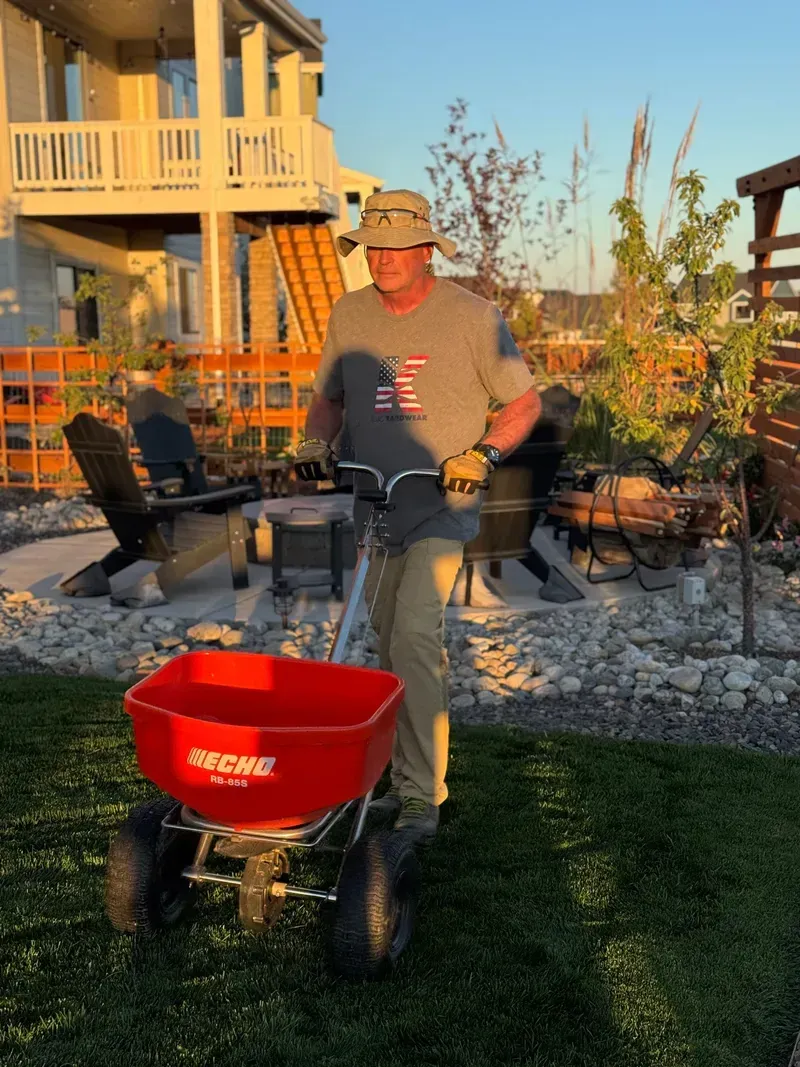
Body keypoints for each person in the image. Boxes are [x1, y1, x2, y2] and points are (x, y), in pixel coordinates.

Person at [294, 190, 541, 843]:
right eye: (372, 246)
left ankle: (420, 796)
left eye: (397, 246)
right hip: (374, 503)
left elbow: (523, 404)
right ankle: (390, 769)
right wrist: (316, 440)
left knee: (412, 638)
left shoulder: (473, 316)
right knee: (385, 642)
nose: (383, 258)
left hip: (439, 504)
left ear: (427, 249)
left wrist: (483, 453)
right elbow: (328, 399)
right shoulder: (349, 313)